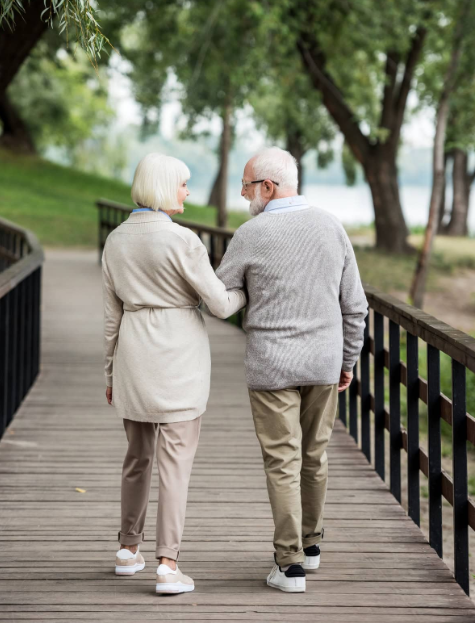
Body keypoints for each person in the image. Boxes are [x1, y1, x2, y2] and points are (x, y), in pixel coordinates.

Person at [216, 146, 368, 593]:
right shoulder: (332, 226)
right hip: (323, 362)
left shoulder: (250, 233)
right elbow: (355, 308)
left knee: (283, 461)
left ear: (267, 186)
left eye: (246, 186)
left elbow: (220, 294)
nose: (244, 195)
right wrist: (347, 361)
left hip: (271, 365)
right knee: (315, 457)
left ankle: (289, 565)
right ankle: (312, 546)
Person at [102, 152, 246, 595]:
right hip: (178, 360)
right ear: (165, 188)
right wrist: (242, 290)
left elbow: (111, 319)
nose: (187, 191)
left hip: (133, 356)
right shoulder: (183, 241)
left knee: (137, 458)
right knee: (176, 465)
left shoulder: (116, 241)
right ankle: (168, 565)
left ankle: (128, 550)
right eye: (182, 184)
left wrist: (110, 373)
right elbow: (220, 304)